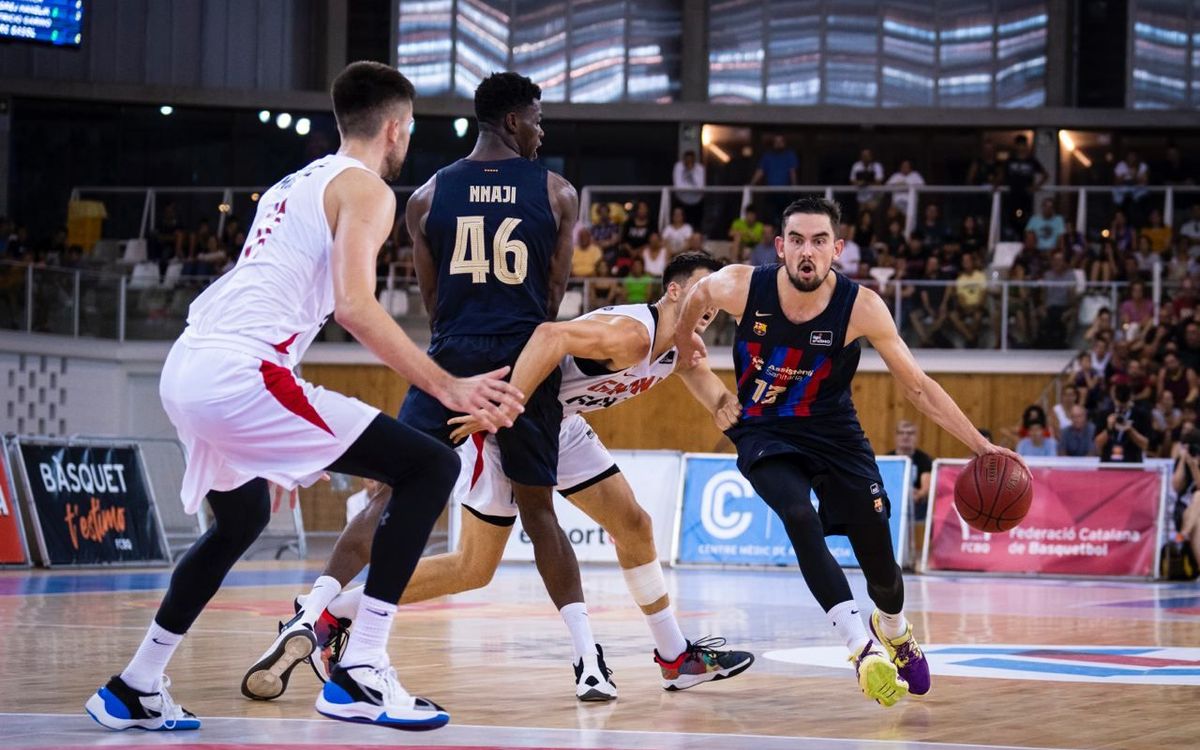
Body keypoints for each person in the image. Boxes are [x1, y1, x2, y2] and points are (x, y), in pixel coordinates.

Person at [86, 62, 523, 733]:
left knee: (240, 519)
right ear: (397, 128)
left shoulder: (293, 184)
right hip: (239, 372)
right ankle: (360, 672)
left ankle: (136, 685)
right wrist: (448, 385)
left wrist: (267, 443)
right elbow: (354, 307)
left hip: (192, 361)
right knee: (430, 466)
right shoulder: (369, 190)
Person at [248, 253, 753, 701]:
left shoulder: (678, 346)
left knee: (635, 525)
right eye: (701, 292)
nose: (709, 306)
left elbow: (706, 387)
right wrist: (507, 407)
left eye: (715, 301)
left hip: (563, 426)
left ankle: (675, 656)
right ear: (673, 291)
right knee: (474, 567)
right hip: (515, 417)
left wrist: (731, 406)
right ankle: (340, 611)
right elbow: (549, 334)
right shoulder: (632, 332)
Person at [673, 197, 1024, 707]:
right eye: (796, 240)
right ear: (781, 247)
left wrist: (980, 445)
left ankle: (895, 630)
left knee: (883, 570)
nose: (807, 251)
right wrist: (701, 371)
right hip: (764, 428)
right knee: (798, 514)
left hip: (835, 433)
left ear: (837, 248)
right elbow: (694, 302)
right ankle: (861, 649)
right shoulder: (738, 285)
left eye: (819, 241)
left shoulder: (861, 306)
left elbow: (918, 387)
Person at [391, 72, 597, 693]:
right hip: (523, 360)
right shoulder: (558, 192)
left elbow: (431, 298)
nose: (542, 129)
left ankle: (322, 612)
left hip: (451, 353)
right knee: (539, 511)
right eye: (536, 117)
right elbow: (554, 298)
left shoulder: (425, 195)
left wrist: (462, 340)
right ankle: (589, 660)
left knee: (390, 493)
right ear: (512, 121)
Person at [1001, 134, 1047, 239]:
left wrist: (1036, 186)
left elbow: (1045, 175)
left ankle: (1025, 241)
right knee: (1012, 221)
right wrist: (996, 184)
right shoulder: (1010, 160)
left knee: (1025, 221)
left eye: (1024, 145)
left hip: (1026, 198)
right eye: (1019, 145)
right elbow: (1002, 175)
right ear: (1016, 146)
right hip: (1012, 197)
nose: (1022, 148)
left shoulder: (1031, 161)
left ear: (1026, 146)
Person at [888, 420, 932, 523]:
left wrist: (919, 494)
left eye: (910, 433)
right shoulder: (887, 458)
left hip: (916, 507)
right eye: (901, 433)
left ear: (916, 437)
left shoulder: (924, 459)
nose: (905, 436)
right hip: (892, 504)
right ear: (896, 436)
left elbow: (926, 486)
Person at [672, 149, 706, 231]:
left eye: (691, 160)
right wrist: (693, 189)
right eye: (687, 160)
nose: (689, 162)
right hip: (681, 200)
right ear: (684, 160)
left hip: (696, 201)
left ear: (694, 160)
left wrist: (691, 171)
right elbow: (678, 186)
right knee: (681, 222)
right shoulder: (678, 166)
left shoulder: (700, 168)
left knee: (696, 224)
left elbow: (700, 187)